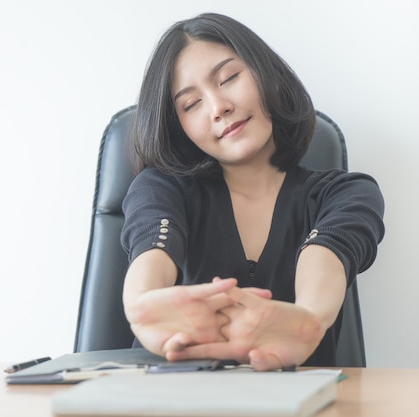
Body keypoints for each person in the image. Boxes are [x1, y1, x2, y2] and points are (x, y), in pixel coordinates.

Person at [120, 13, 385, 371]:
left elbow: (325, 259)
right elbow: (152, 252)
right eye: (191, 104)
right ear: (178, 126)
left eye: (228, 78)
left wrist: (306, 319)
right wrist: (142, 306)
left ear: (267, 75)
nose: (219, 107)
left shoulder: (347, 193)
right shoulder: (161, 187)